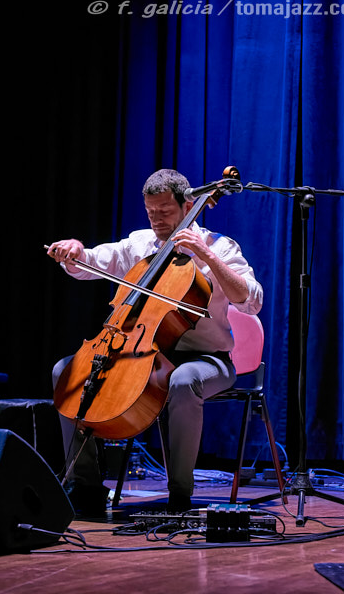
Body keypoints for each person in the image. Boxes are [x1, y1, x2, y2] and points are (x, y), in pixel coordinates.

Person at [48, 168, 263, 515]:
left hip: (206, 359)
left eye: (165, 211)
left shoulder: (220, 247)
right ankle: (84, 485)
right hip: (143, 355)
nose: (157, 220)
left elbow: (252, 301)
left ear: (188, 206)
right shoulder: (140, 244)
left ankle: (179, 495)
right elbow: (92, 261)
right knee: (65, 371)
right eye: (151, 212)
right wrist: (76, 253)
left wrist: (207, 257)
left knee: (183, 380)